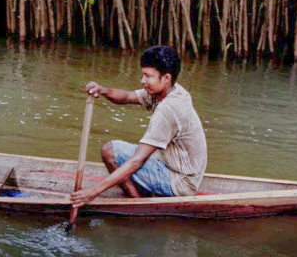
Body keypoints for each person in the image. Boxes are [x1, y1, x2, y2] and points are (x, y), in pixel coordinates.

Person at [70, 46, 206, 208]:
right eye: (143, 74)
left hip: (180, 182)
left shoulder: (168, 109)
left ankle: (137, 205)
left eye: (148, 76)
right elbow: (127, 96)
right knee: (122, 151)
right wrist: (102, 90)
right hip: (175, 167)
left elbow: (137, 161)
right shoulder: (171, 90)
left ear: (166, 78)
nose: (143, 81)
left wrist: (92, 192)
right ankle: (140, 197)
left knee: (109, 151)